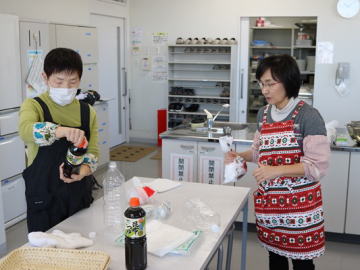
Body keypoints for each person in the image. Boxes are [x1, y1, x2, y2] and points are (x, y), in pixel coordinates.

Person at [225, 54, 330, 270]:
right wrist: (239, 156)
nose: (264, 90)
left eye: (270, 84)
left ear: (288, 82)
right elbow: (258, 152)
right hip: (271, 205)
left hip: (299, 207)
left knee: (302, 263)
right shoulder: (264, 114)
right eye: (262, 84)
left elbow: (317, 166)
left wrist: (276, 171)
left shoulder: (308, 116)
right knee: (276, 260)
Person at [19, 48, 99, 232]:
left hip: (78, 193)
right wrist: (60, 131)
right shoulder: (34, 105)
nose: (66, 88)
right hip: (44, 197)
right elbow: (25, 131)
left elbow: (93, 152)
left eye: (73, 82)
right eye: (59, 81)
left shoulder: (87, 111)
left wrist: (84, 170)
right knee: (46, 254)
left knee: (82, 248)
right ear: (45, 78)